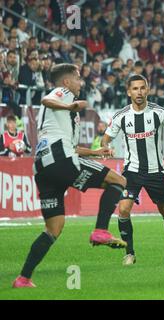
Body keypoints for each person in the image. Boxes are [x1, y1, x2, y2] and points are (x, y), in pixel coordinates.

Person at [13, 64, 127, 288]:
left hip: (44, 169)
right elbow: (46, 99)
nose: (80, 82)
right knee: (119, 181)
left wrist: (96, 152)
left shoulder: (63, 114)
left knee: (54, 228)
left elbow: (73, 148)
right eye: (76, 78)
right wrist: (74, 104)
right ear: (65, 82)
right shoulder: (62, 94)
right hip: (60, 159)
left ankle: (23, 278)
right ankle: (100, 230)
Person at [101, 74, 164, 266]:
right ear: (129, 92)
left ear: (148, 90)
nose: (139, 92)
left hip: (156, 171)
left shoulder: (159, 113)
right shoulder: (122, 116)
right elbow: (106, 138)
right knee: (124, 208)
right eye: (135, 88)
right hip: (132, 172)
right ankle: (130, 254)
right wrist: (106, 147)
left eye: (142, 88)